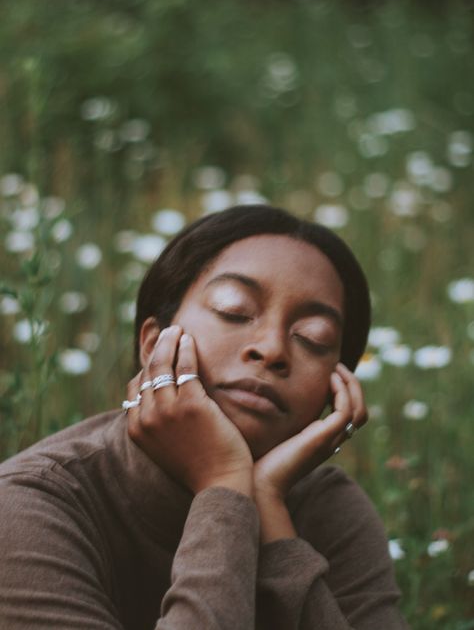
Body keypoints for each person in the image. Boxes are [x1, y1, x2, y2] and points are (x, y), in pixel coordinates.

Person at [0, 204, 408, 629]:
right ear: (154, 343)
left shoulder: (329, 507)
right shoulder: (28, 507)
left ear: (336, 384)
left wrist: (267, 508)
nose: (271, 349)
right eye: (234, 312)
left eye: (312, 338)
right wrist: (225, 484)